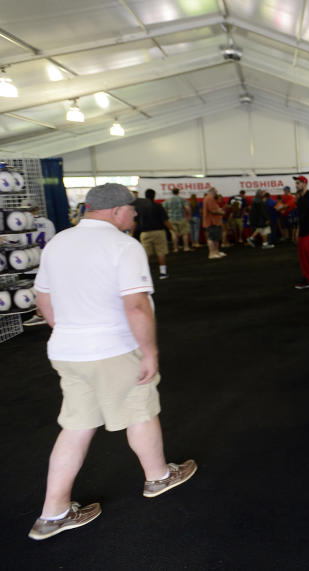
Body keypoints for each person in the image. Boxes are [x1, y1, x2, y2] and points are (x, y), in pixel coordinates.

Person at [28, 183, 196, 541]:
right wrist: (149, 352)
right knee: (140, 410)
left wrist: (72, 330)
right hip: (113, 349)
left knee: (76, 426)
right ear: (117, 210)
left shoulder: (57, 243)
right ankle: (158, 476)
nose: (135, 215)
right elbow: (135, 306)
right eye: (131, 210)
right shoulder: (123, 245)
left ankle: (52, 513)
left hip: (67, 351)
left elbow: (43, 301)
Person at [133, 189, 176, 280]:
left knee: (146, 254)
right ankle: (163, 273)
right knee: (161, 252)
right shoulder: (159, 206)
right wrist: (173, 230)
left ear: (145, 196)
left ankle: (145, 275)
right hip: (159, 232)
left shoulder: (140, 208)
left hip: (145, 233)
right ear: (154, 196)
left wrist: (131, 233)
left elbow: (135, 222)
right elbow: (165, 221)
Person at [162, 188, 191, 253]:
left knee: (173, 234)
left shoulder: (168, 200)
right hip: (182, 218)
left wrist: (167, 216)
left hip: (171, 219)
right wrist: (189, 215)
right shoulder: (182, 199)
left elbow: (164, 209)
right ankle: (186, 247)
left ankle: (175, 248)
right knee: (184, 234)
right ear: (178, 192)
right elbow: (187, 208)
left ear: (172, 192)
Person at [202, 187, 226, 259]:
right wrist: (221, 212)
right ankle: (212, 253)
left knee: (216, 238)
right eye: (216, 192)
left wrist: (219, 210)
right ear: (212, 192)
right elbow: (213, 210)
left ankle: (216, 252)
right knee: (211, 238)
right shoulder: (209, 199)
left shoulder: (210, 199)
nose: (217, 193)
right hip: (211, 222)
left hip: (215, 222)